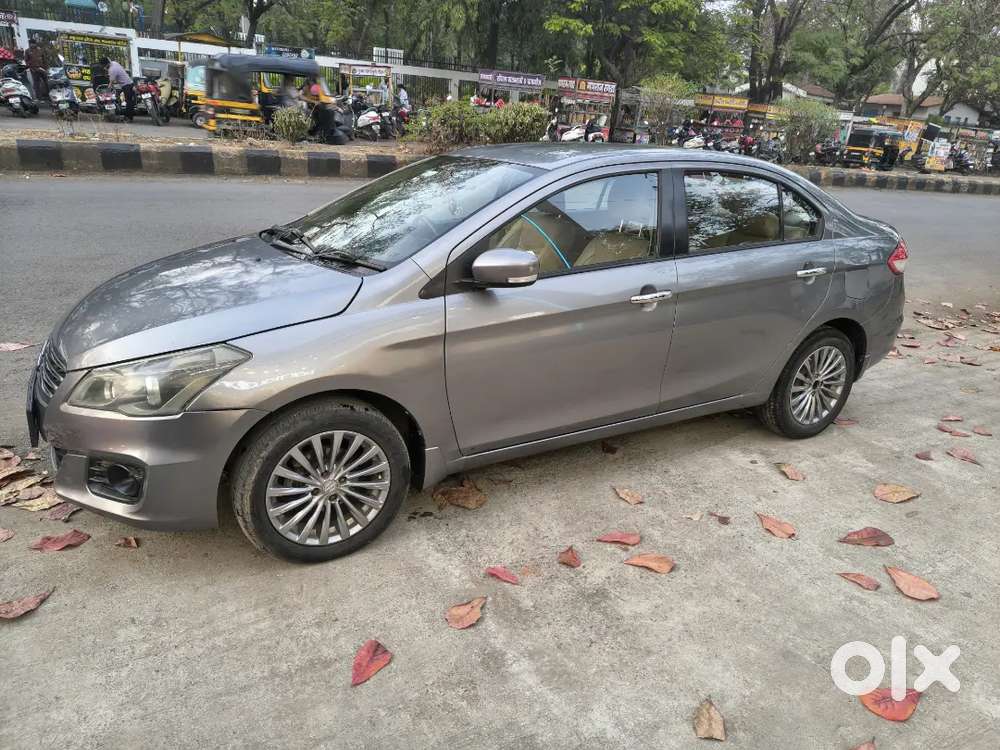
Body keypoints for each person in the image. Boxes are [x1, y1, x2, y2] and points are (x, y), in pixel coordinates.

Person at [101, 55, 135, 122]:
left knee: (129, 102)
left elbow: (111, 82)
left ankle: (128, 118)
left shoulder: (112, 70)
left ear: (106, 64)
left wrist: (107, 91)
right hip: (129, 83)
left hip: (126, 85)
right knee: (129, 101)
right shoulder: (114, 63)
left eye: (103, 65)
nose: (103, 67)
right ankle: (128, 116)